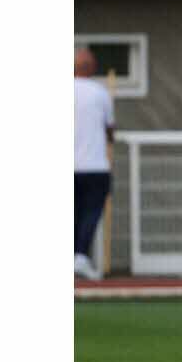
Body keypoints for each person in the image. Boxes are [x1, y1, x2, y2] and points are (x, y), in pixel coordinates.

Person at [74, 48, 114, 281]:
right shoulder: (100, 92)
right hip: (95, 165)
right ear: (92, 68)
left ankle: (76, 256)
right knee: (91, 212)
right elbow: (110, 129)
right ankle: (80, 256)